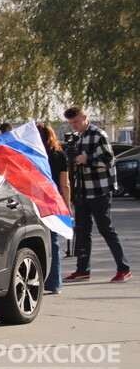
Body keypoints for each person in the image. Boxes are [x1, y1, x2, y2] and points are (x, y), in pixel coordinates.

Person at [62, 105, 131, 283]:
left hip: (100, 189)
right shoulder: (78, 137)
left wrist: (87, 160)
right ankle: (83, 269)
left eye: (76, 121)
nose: (74, 126)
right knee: (83, 230)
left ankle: (124, 268)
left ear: (84, 117)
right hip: (83, 190)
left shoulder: (98, 134)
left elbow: (109, 161)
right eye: (71, 123)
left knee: (105, 228)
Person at [37, 122, 72, 294]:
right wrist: (66, 205)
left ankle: (37, 278)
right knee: (54, 242)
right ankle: (55, 283)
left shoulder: (32, 155)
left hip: (35, 198)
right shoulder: (60, 155)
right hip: (53, 199)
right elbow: (65, 184)